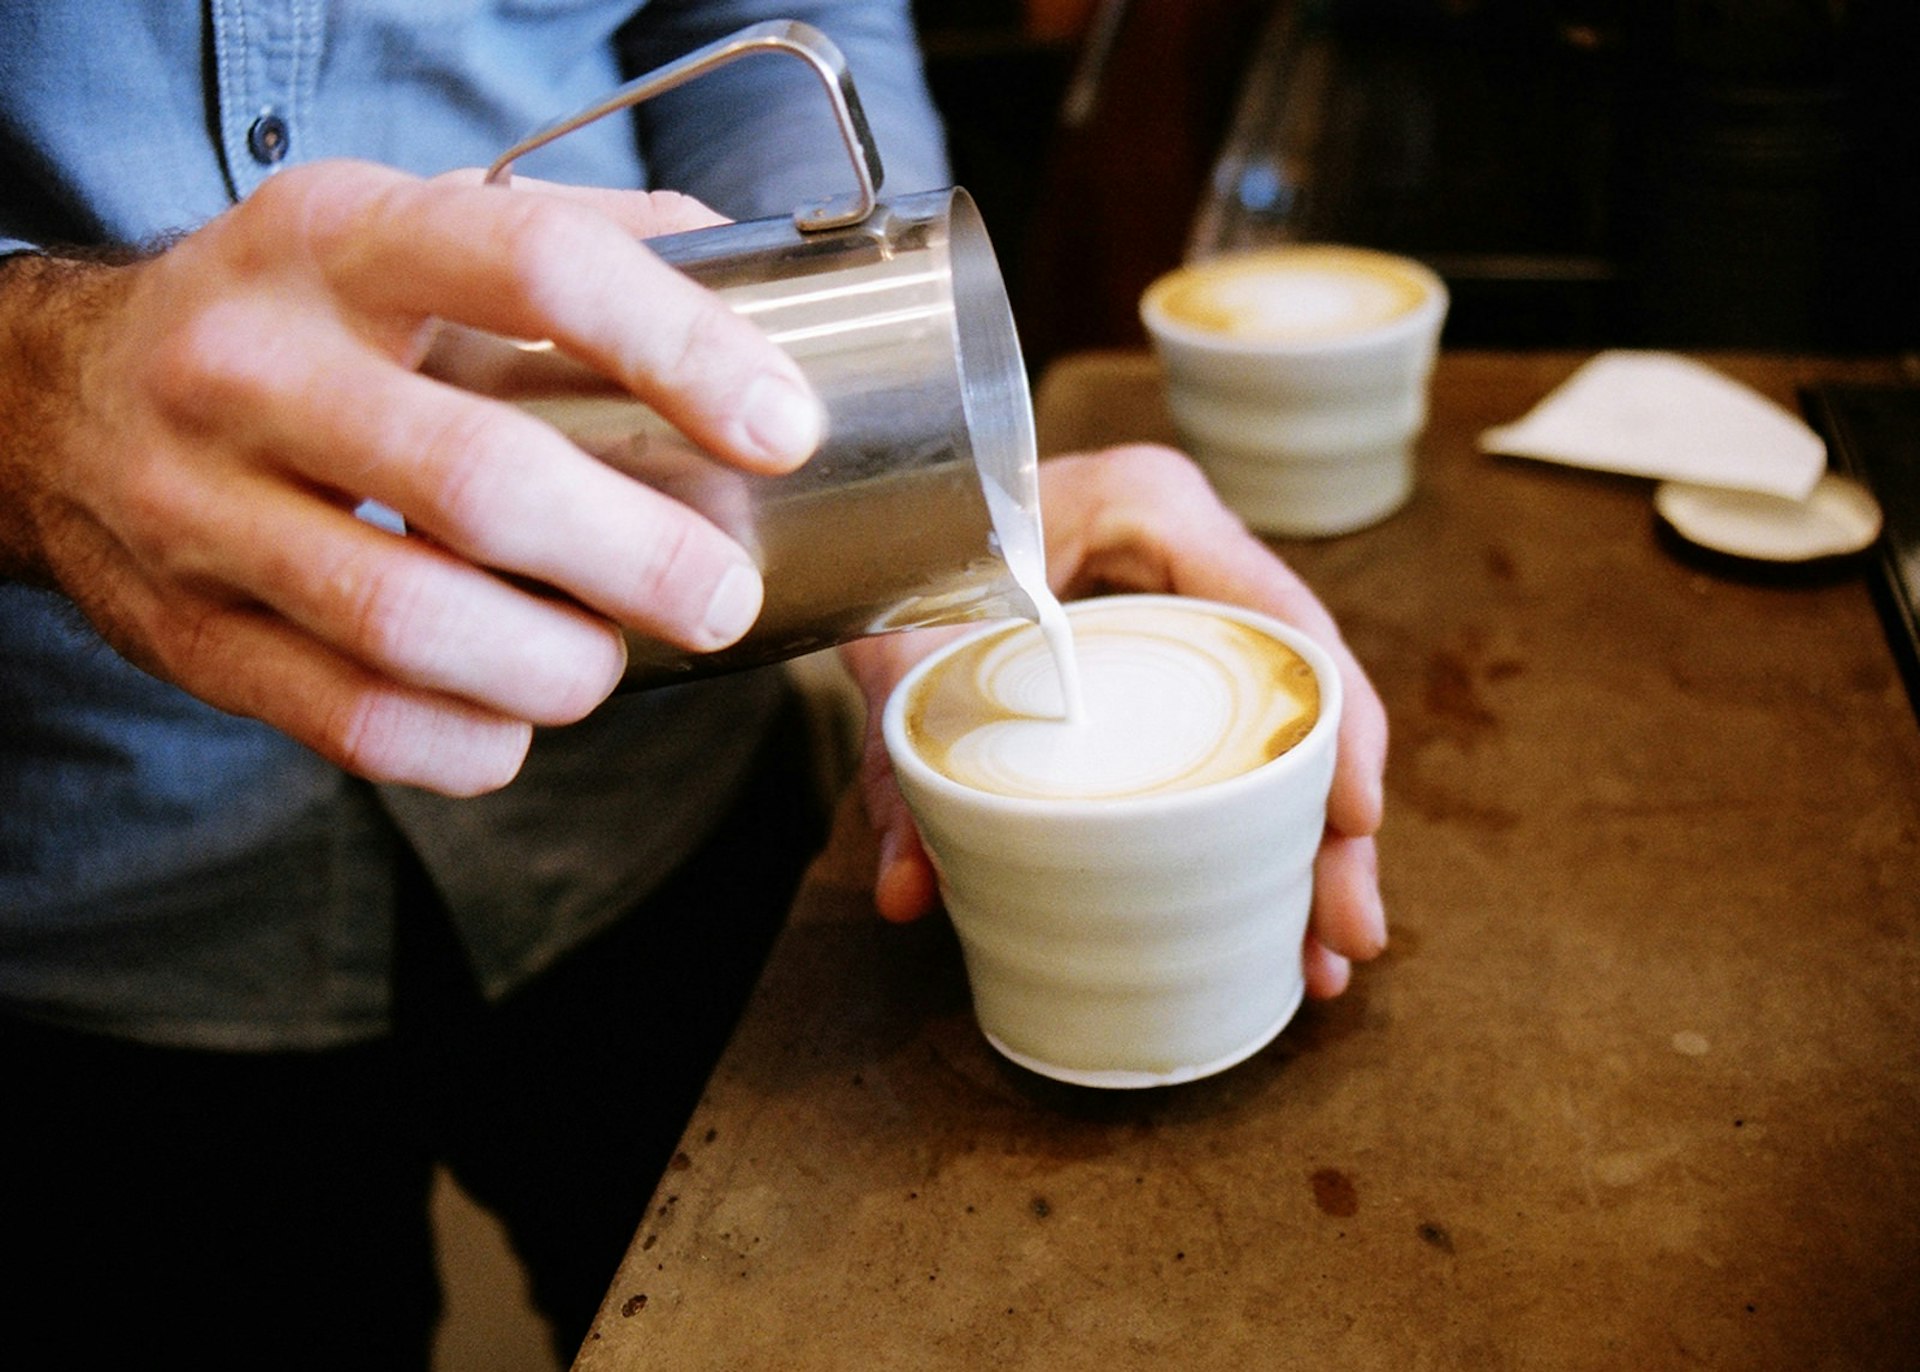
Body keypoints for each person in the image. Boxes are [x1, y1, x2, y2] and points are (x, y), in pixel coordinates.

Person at [0, 2, 1387, 1366]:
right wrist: (40, 390)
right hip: (78, 918)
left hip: (660, 798)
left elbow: (753, 22)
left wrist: (869, 465)